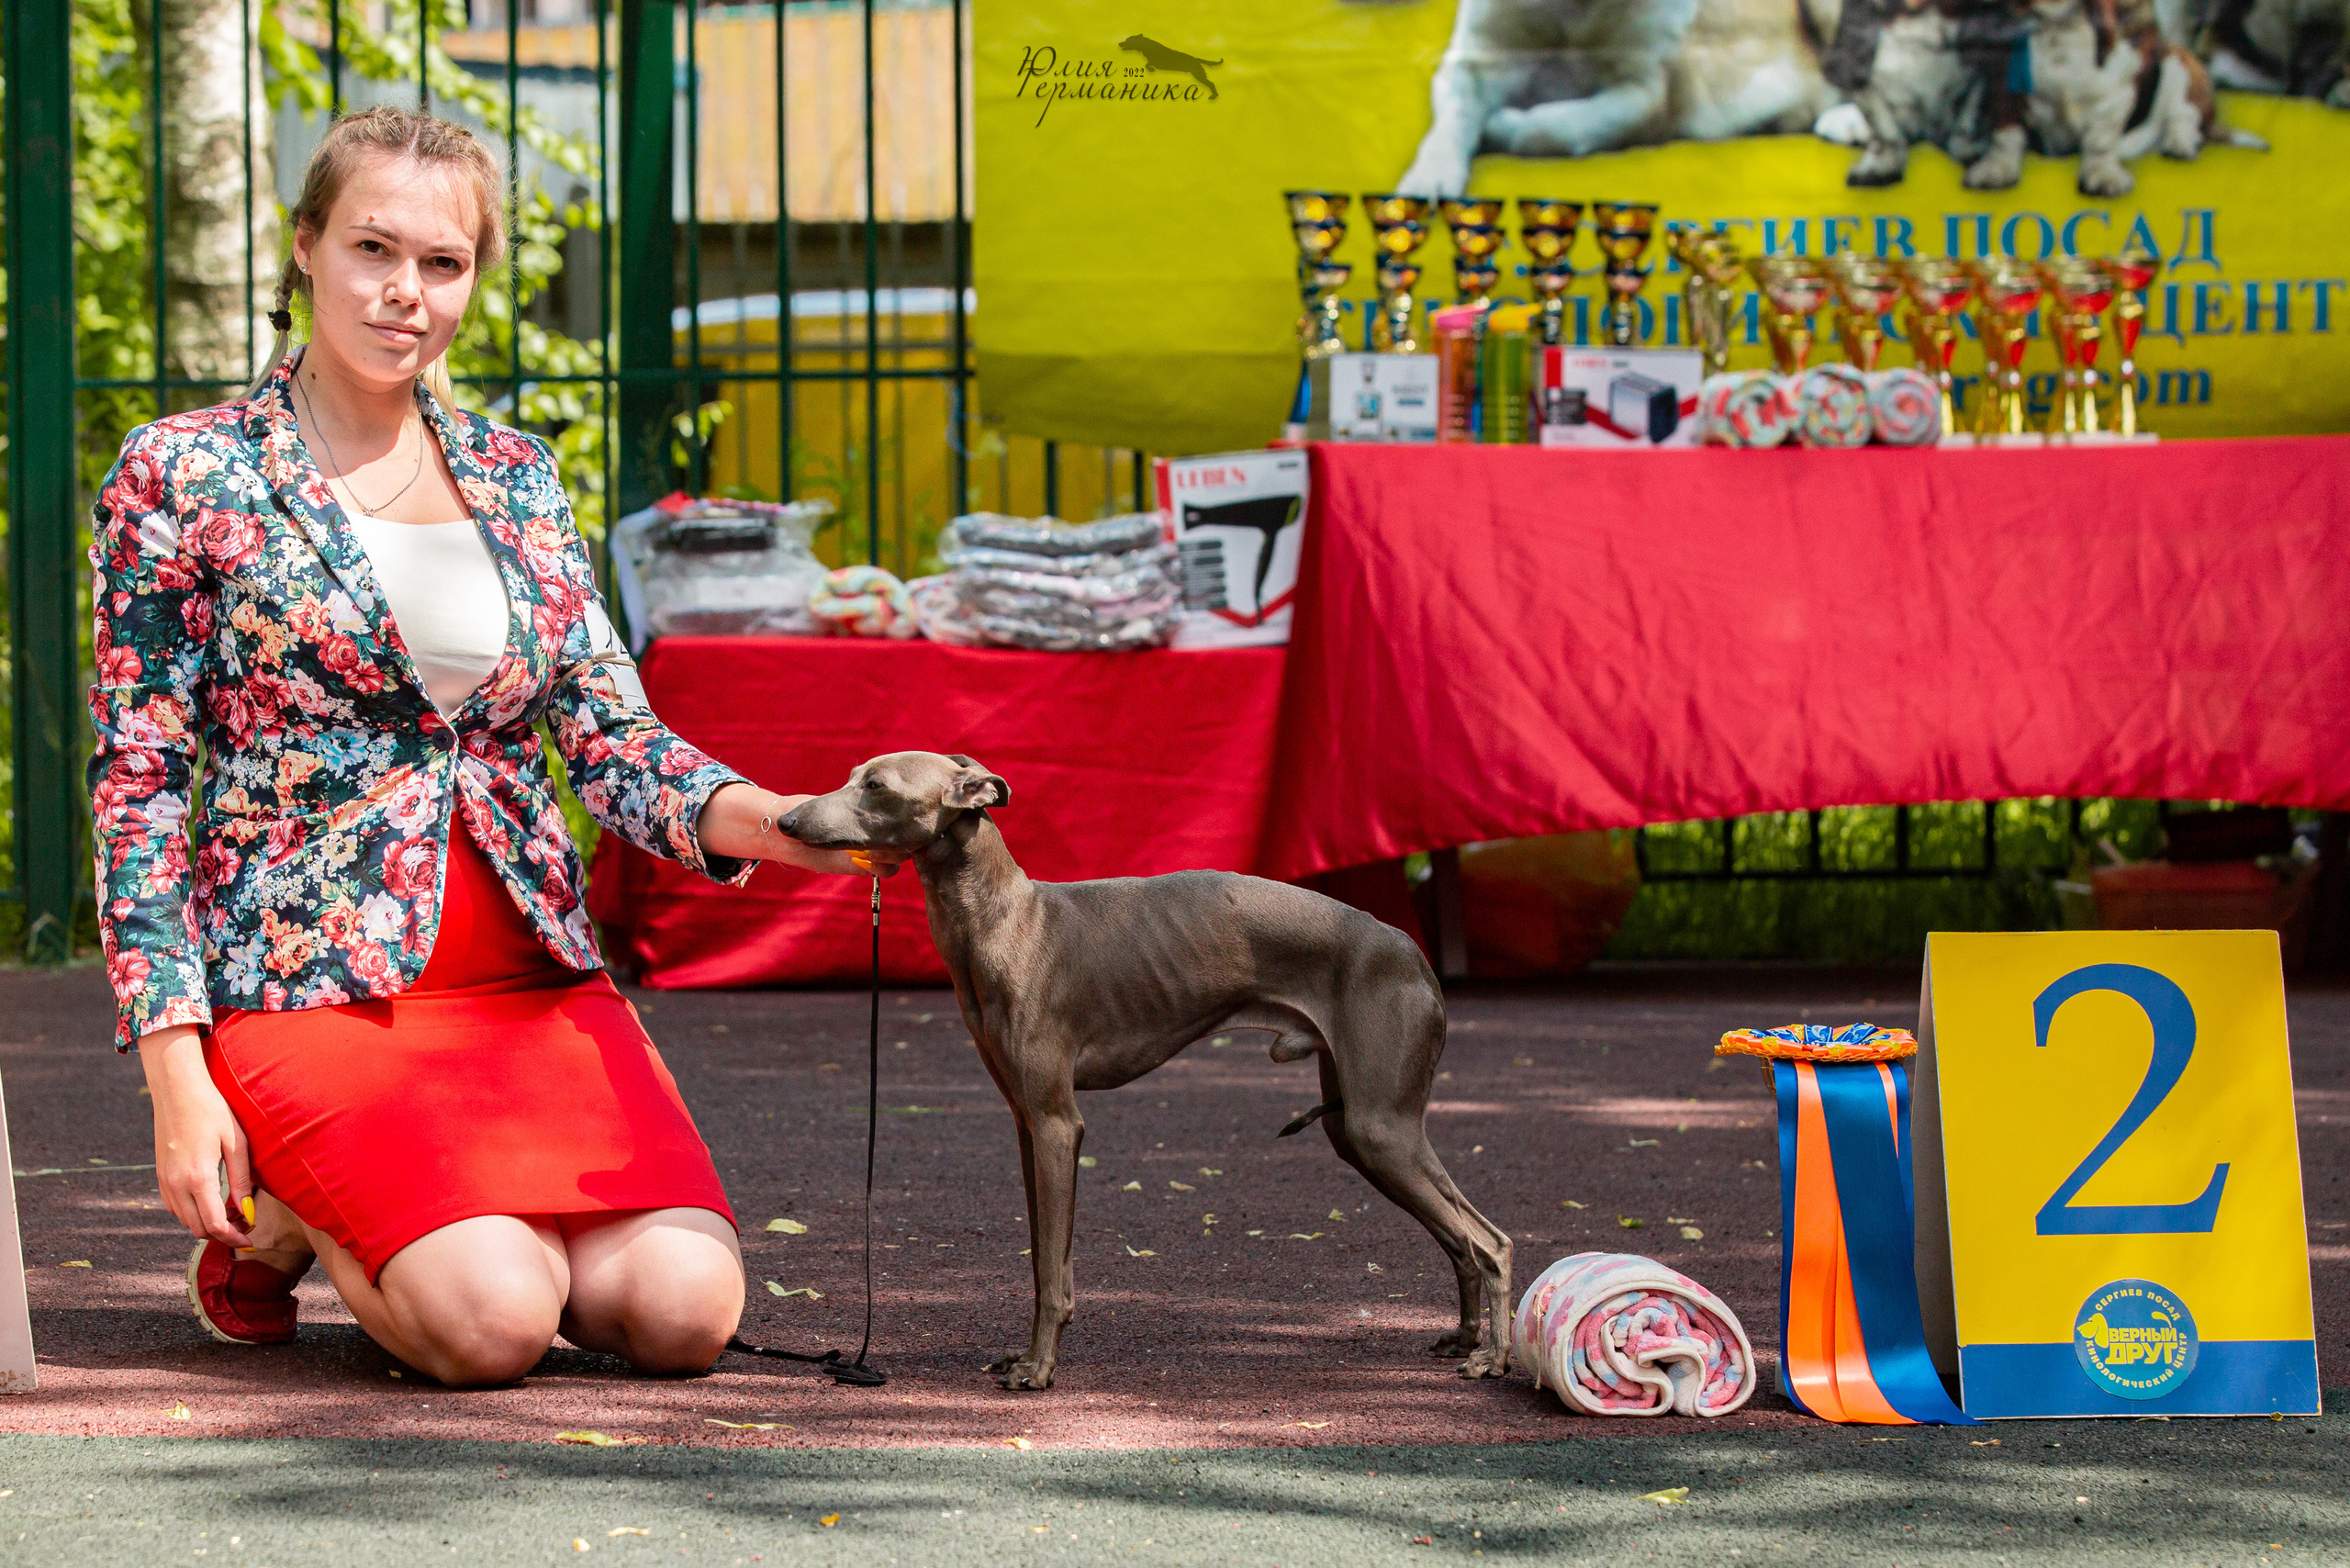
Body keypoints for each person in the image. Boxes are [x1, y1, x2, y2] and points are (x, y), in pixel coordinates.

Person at [87, 105, 886, 1387]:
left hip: (527, 976)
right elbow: (138, 784)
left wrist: (789, 825)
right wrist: (177, 1077)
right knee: (495, 1323)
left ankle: (325, 1214)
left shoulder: (518, 476)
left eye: (443, 262)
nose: (405, 291)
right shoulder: (184, 471)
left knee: (684, 1312)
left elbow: (612, 736)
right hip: (309, 986)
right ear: (305, 247)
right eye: (373, 248)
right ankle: (294, 1211)